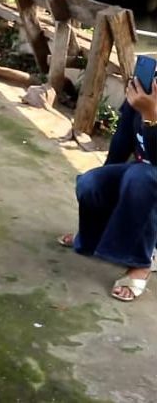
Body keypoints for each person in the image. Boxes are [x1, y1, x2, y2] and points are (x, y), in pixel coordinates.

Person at [57, 80, 157, 302]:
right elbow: (121, 144)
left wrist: (151, 116)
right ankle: (95, 238)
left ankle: (141, 262)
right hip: (144, 178)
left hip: (148, 181)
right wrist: (103, 184)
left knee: (140, 177)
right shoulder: (146, 92)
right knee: (91, 183)